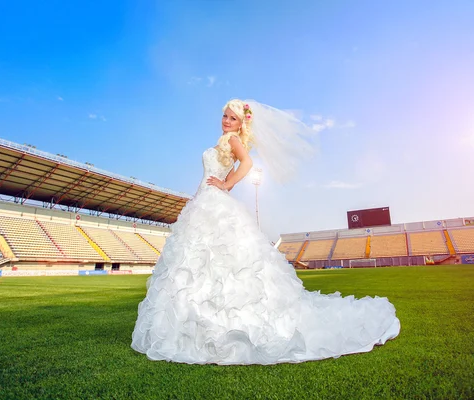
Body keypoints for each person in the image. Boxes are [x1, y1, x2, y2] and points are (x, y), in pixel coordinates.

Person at [131, 99, 400, 365]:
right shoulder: (223, 143)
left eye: (232, 118)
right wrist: (208, 190)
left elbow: (247, 164)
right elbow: (220, 170)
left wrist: (228, 184)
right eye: (225, 116)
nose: (226, 121)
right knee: (197, 259)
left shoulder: (234, 141)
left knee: (220, 259)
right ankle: (193, 318)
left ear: (241, 123)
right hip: (204, 200)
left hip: (215, 201)